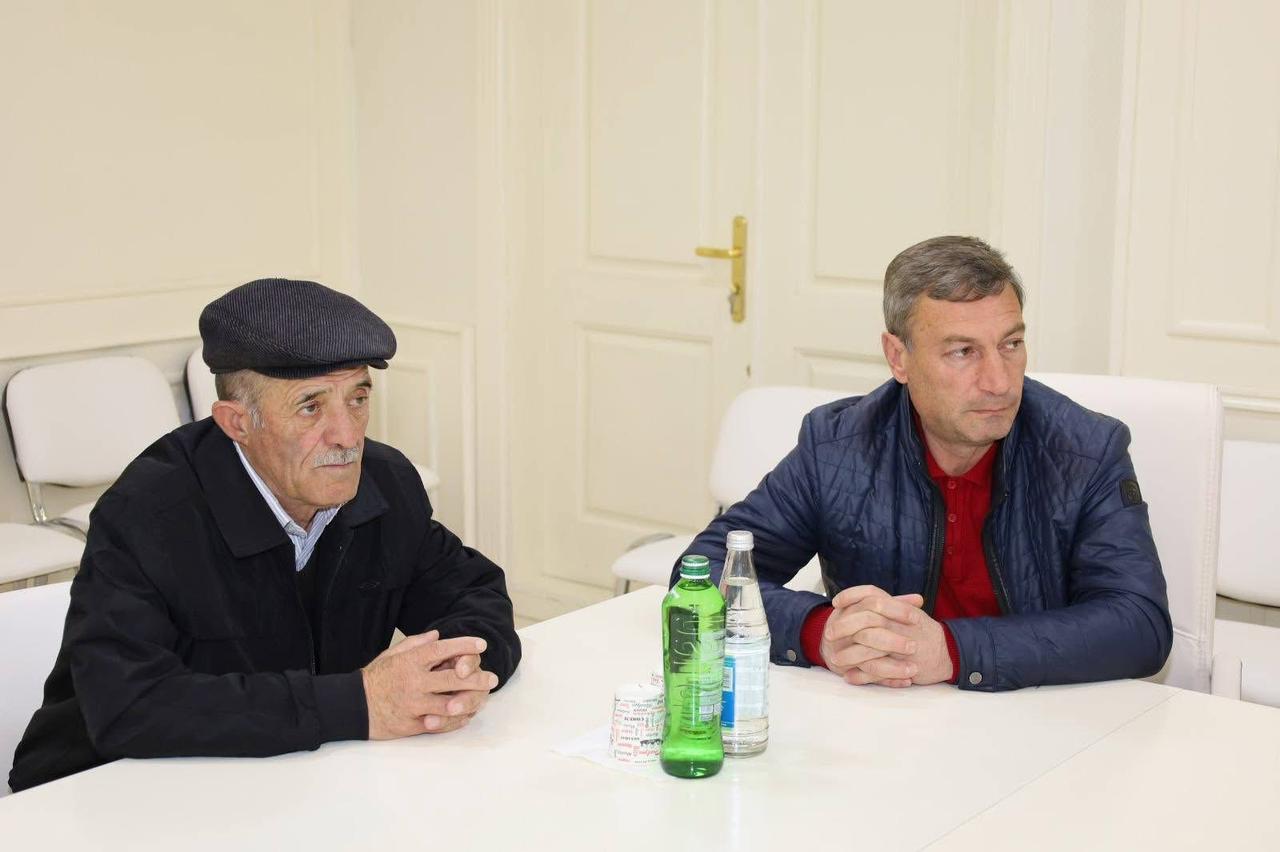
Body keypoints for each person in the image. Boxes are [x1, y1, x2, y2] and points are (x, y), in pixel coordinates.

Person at [9, 278, 521, 792]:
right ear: (237, 423)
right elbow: (127, 706)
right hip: (101, 792)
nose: (348, 435)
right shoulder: (147, 514)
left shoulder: (385, 483)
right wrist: (359, 703)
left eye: (358, 398)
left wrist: (456, 670)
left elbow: (472, 592)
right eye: (311, 406)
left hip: (287, 781)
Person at [678, 236, 1171, 691]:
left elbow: (1139, 624)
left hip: (1038, 713)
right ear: (898, 357)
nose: (999, 382)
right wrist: (821, 632)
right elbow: (701, 575)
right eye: (963, 352)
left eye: (1011, 345)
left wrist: (952, 652)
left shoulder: (1085, 450)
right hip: (883, 715)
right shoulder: (836, 448)